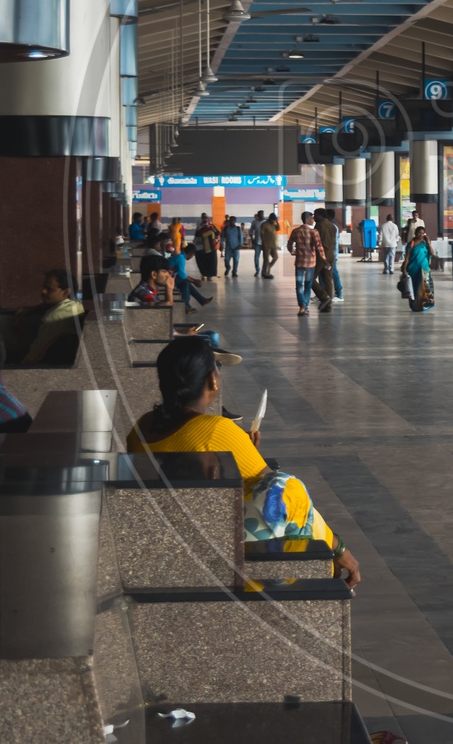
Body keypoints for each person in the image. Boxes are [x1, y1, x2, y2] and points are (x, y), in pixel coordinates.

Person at [127, 335, 361, 585]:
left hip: (165, 544)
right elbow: (273, 489)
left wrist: (240, 450)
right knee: (288, 489)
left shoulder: (140, 427)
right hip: (216, 549)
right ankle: (325, 565)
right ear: (212, 381)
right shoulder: (216, 429)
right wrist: (339, 548)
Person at [4, 269, 85, 366]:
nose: (43, 291)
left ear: (65, 292)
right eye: (44, 287)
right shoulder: (76, 305)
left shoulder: (54, 318)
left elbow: (35, 354)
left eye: (49, 289)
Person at [287, 212, 327, 316]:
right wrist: (324, 259)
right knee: (308, 284)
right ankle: (306, 307)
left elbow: (289, 243)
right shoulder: (314, 232)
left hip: (299, 262)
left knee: (299, 285)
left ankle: (302, 306)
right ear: (307, 219)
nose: (313, 220)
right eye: (312, 218)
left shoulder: (296, 231)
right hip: (311, 263)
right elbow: (319, 247)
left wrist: (292, 251)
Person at [313, 208, 343, 310]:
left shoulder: (319, 225)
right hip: (331, 256)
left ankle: (324, 297)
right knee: (328, 280)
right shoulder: (332, 226)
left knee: (310, 278)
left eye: (316, 215)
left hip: (322, 257)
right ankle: (328, 304)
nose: (314, 217)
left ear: (321, 215)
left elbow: (316, 243)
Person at [403, 225, 437, 312]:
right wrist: (404, 269)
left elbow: (432, 253)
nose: (421, 235)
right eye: (419, 233)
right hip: (413, 269)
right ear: (415, 233)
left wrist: (429, 243)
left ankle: (423, 305)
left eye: (423, 233)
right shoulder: (411, 243)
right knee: (414, 288)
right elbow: (407, 257)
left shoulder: (425, 243)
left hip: (424, 269)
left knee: (424, 288)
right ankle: (414, 305)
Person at [170, 244, 212, 314]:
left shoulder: (180, 256)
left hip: (171, 276)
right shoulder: (181, 258)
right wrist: (194, 281)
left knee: (185, 283)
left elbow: (182, 274)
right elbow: (182, 275)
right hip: (167, 278)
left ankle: (191, 304)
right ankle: (187, 305)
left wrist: (194, 280)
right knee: (185, 282)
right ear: (191, 254)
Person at [193, 214, 220, 281]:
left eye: (206, 218)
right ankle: (204, 274)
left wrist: (215, 240)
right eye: (203, 218)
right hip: (201, 248)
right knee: (202, 262)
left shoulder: (211, 226)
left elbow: (217, 233)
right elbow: (197, 238)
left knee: (211, 262)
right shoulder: (199, 227)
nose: (205, 220)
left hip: (211, 247)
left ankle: (209, 276)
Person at [260, 213, 280, 278]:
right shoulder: (264, 224)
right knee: (266, 260)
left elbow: (278, 229)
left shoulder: (274, 224)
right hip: (266, 245)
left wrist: (277, 222)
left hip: (273, 244)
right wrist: (263, 244)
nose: (274, 220)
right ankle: (266, 274)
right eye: (273, 219)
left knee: (275, 257)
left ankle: (267, 269)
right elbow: (262, 235)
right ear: (270, 219)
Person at [250, 210, 266, 277]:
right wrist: (252, 239)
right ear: (258, 215)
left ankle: (263, 271)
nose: (261, 215)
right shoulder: (254, 222)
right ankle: (257, 270)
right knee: (256, 258)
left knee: (265, 258)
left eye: (262, 214)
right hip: (257, 243)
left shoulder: (266, 222)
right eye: (260, 214)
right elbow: (251, 231)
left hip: (265, 243)